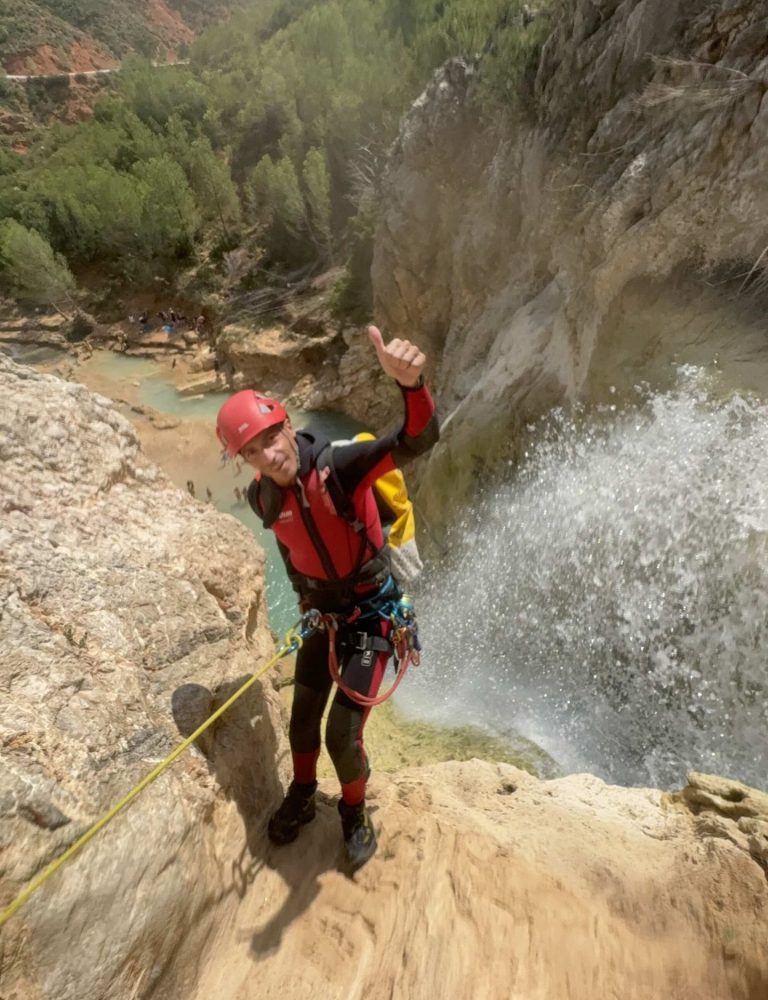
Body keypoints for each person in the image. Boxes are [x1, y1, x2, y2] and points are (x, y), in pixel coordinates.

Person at [215, 326, 438, 869]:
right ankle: (303, 793)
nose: (267, 454)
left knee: (342, 732)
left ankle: (354, 812)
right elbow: (293, 553)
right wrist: (305, 603)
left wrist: (413, 387)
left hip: (372, 617)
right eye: (252, 451)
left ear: (288, 426)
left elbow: (414, 440)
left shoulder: (341, 467)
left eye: (270, 438)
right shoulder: (262, 497)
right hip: (325, 617)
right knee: (301, 719)